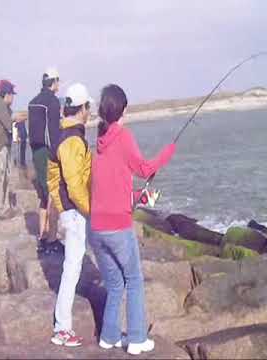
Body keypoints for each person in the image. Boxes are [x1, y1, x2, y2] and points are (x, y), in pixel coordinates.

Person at [90, 84, 176, 355]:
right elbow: (144, 168)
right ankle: (137, 338)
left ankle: (109, 336)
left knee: (115, 285)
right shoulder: (123, 136)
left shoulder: (99, 143)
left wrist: (138, 195)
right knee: (134, 280)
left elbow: (113, 183)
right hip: (117, 227)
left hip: (96, 229)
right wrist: (168, 152)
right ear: (123, 109)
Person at [46, 83, 93, 347]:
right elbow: (75, 187)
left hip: (68, 211)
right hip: (75, 212)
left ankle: (62, 326)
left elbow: (56, 181)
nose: (89, 112)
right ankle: (62, 328)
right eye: (88, 107)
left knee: (72, 265)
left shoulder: (64, 135)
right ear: (83, 108)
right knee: (72, 268)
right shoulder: (73, 140)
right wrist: (92, 211)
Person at [28, 67, 63, 254]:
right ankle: (51, 239)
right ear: (54, 82)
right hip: (48, 153)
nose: (59, 84)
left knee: (43, 195)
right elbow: (53, 132)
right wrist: (58, 156)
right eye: (58, 81)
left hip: (35, 152)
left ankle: (42, 236)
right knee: (53, 195)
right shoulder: (52, 102)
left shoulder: (33, 103)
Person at [0, 80, 25, 219]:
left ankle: (3, 207)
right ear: (6, 94)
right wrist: (18, 119)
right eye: (12, 94)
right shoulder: (0, 106)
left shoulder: (4, 107)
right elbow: (8, 123)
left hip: (3, 147)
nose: (13, 97)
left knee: (5, 177)